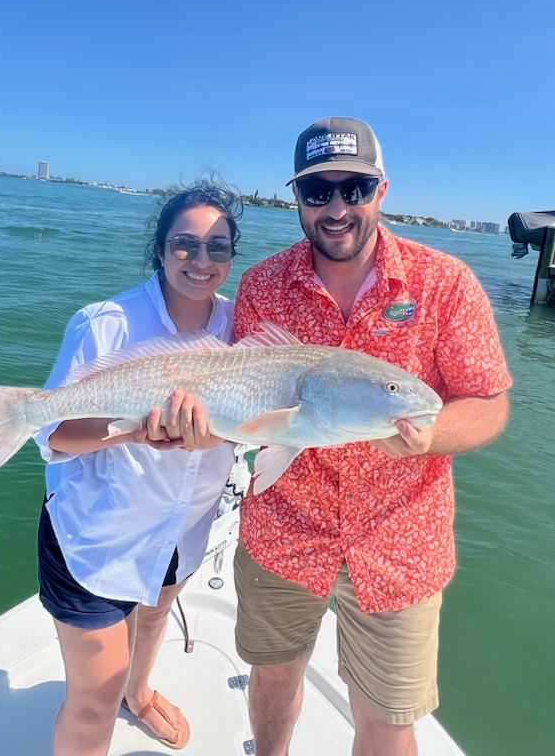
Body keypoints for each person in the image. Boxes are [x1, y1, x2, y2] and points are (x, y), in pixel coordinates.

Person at [231, 117, 512, 756]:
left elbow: (490, 403)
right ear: (296, 197)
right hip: (283, 526)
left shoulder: (445, 283)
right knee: (273, 675)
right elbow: (243, 408)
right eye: (317, 191)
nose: (336, 208)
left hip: (399, 541)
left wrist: (432, 434)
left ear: (380, 190)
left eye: (353, 189)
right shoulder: (261, 286)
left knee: (389, 720)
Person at [32, 180, 240, 755]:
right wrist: (132, 432)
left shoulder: (242, 330)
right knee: (92, 699)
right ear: (159, 247)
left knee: (152, 620)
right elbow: (53, 433)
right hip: (96, 536)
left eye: (218, 247)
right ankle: (117, 699)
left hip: (182, 528)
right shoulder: (106, 324)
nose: (201, 261)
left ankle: (140, 693)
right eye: (185, 244)